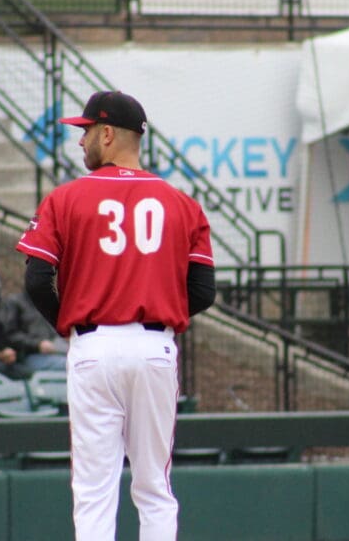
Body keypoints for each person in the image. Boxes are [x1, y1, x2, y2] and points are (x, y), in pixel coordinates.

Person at [16, 90, 216, 541]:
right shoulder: (183, 204)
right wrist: (160, 309)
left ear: (107, 134)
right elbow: (203, 292)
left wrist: (72, 327)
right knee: (154, 487)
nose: (80, 141)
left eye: (85, 132)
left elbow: (35, 281)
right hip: (154, 347)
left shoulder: (64, 199)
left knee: (93, 490)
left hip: (93, 346)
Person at [0, 289, 68, 371]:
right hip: (29, 355)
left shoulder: (49, 303)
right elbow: (9, 335)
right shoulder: (14, 302)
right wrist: (38, 344)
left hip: (57, 351)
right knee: (69, 364)